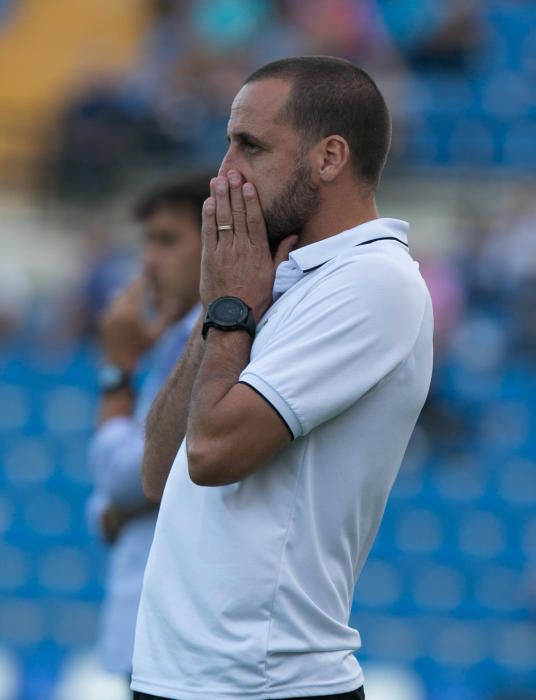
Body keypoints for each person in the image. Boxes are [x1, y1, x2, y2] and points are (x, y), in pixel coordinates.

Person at [131, 56, 434, 700]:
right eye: (226, 144)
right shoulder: (274, 280)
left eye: (251, 146)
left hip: (270, 683)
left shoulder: (372, 281)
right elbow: (161, 474)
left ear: (329, 158)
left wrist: (229, 308)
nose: (224, 173)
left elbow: (212, 455)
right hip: (181, 679)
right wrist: (222, 304)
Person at [86, 175, 207, 680]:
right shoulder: (171, 339)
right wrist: (111, 508)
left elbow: (132, 477)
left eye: (168, 240)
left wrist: (117, 370)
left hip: (177, 645)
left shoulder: (210, 341)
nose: (149, 261)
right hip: (150, 637)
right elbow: (109, 500)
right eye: (147, 242)